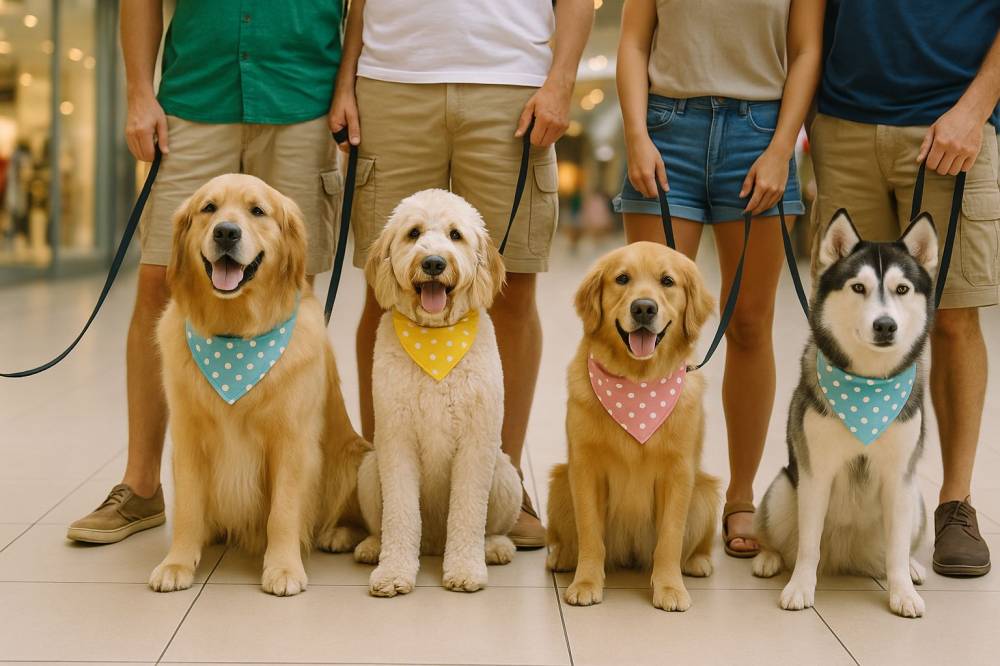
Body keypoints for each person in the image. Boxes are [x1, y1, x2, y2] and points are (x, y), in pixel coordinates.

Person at [67, 1, 344, 544]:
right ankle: (141, 486)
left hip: (304, 95)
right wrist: (139, 94)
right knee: (161, 279)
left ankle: (280, 499)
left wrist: (348, 91)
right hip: (195, 97)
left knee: (291, 291)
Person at [330, 0, 593, 548]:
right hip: (392, 80)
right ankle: (386, 495)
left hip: (512, 84)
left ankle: (505, 483)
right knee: (384, 291)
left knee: (512, 290)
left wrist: (561, 80)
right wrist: (346, 80)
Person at [615, 0, 824, 557]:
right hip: (666, 129)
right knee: (651, 329)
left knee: (751, 325)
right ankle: (653, 493)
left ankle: (740, 496)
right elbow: (634, 41)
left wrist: (783, 148)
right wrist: (636, 133)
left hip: (759, 134)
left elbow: (806, 51)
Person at [811, 0, 999, 576]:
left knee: (952, 317)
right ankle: (840, 500)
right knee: (849, 316)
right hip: (843, 122)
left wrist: (977, 108)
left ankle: (955, 504)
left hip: (953, 122)